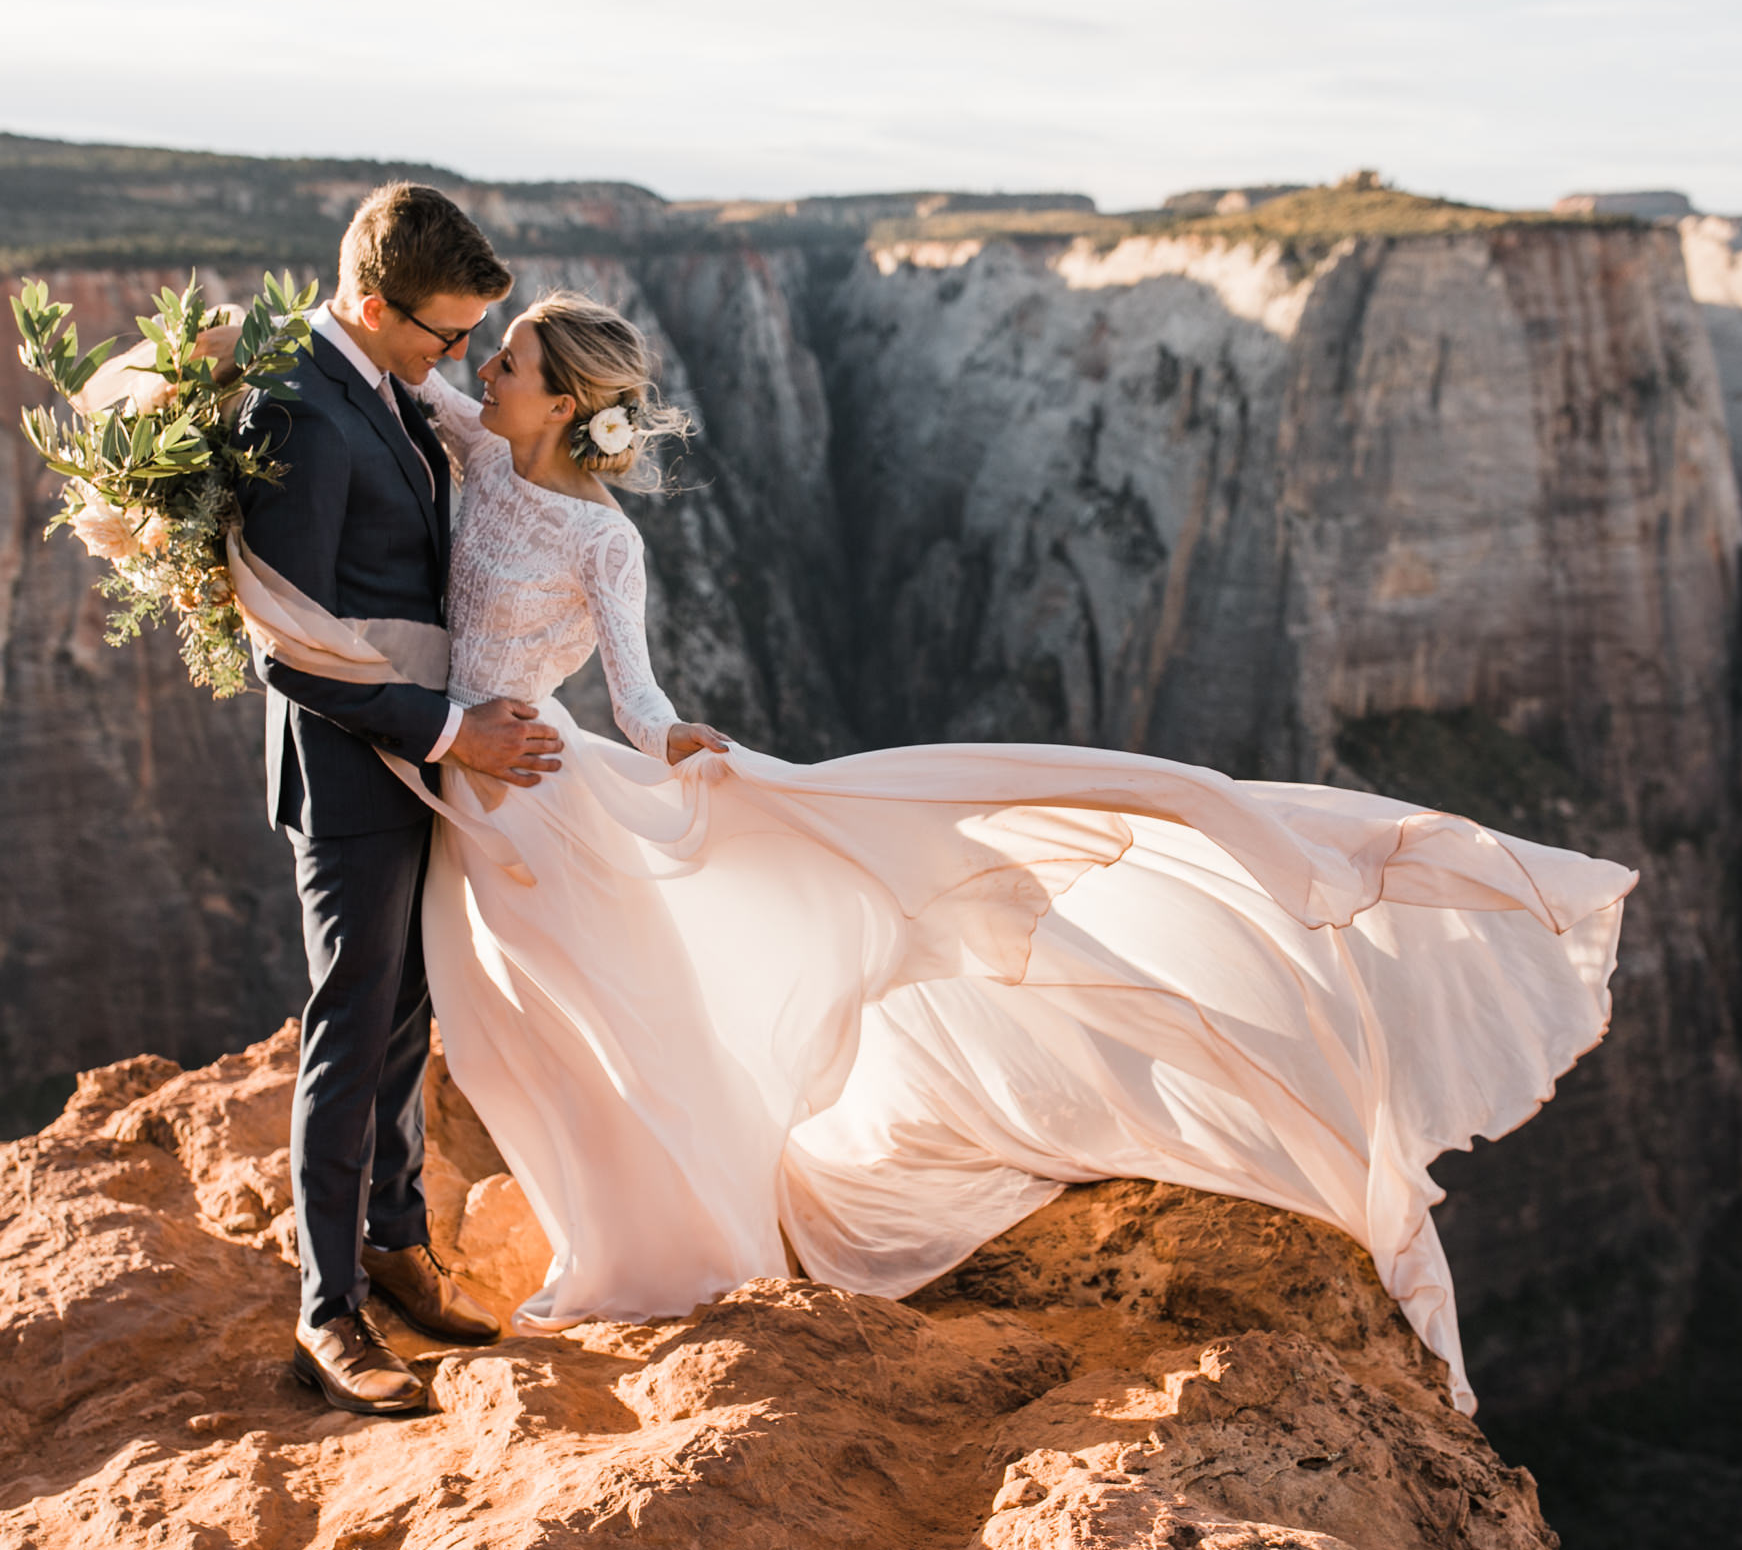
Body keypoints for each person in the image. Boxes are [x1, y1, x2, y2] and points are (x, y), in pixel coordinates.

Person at [228, 286, 1639, 1418]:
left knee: (573, 1028)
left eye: (516, 357)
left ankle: (646, 1244)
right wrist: (188, 405)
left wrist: (682, 748)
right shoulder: (469, 440)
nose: (488, 367)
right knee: (464, 1020)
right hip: (444, 782)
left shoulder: (606, 544)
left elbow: (640, 699)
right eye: (488, 350)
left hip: (538, 798)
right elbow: (365, 363)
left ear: (566, 401)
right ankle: (397, 1248)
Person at [229, 184, 564, 1415]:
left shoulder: (379, 382)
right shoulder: (306, 412)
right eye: (446, 335)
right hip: (352, 770)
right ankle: (328, 1310)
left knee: (407, 1008)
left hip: (423, 758)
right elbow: (285, 640)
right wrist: (448, 729)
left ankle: (393, 1240)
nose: (462, 360)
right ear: (375, 306)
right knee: (352, 1016)